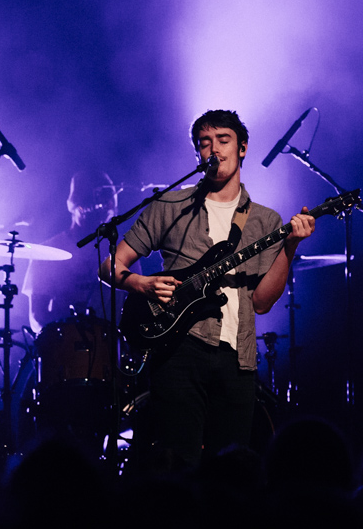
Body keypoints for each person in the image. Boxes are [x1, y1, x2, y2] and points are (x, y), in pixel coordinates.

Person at [99, 109, 316, 469]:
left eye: (223, 140)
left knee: (229, 469)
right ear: (197, 154)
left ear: (243, 148)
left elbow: (261, 302)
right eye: (204, 143)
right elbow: (110, 265)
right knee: (178, 463)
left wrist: (290, 246)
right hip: (179, 350)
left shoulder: (265, 221)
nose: (213, 149)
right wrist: (141, 283)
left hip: (238, 357)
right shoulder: (170, 205)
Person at [23, 170, 119, 334]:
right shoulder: (47, 253)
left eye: (104, 210)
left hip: (111, 349)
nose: (99, 217)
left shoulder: (121, 251)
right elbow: (37, 317)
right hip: (65, 348)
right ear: (76, 207)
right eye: (90, 208)